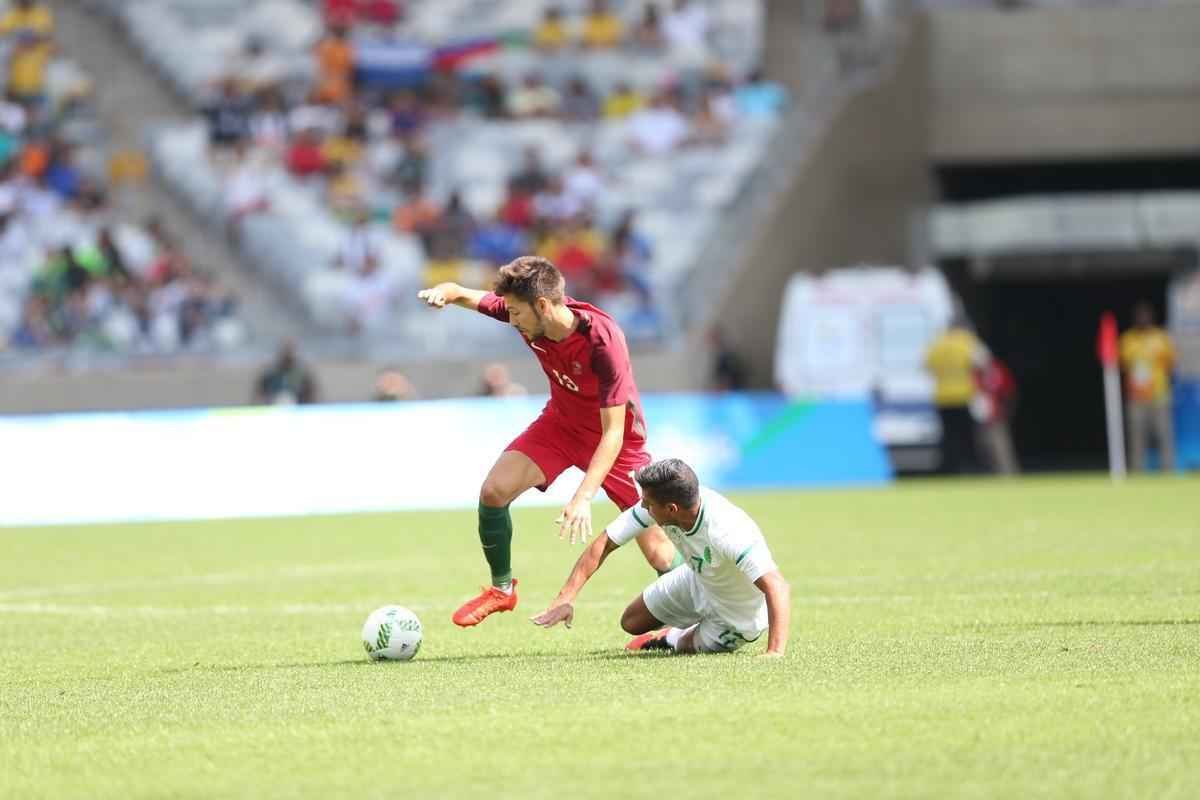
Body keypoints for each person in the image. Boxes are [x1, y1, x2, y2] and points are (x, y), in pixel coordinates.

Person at [417, 256, 680, 627]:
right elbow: (462, 293)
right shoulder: (524, 313)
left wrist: (583, 497)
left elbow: (613, 433)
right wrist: (443, 293)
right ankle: (502, 590)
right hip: (560, 424)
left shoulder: (601, 340)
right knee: (494, 492)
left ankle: (691, 616)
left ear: (542, 305)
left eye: (517, 313)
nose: (512, 320)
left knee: (659, 552)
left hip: (616, 442)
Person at [532, 458, 790, 656]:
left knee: (683, 647)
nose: (642, 507)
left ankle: (670, 637)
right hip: (697, 580)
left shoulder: (727, 530)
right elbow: (605, 542)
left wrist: (774, 653)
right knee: (631, 622)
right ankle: (676, 630)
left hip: (737, 615)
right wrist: (566, 597)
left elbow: (776, 585)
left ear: (671, 509)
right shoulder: (660, 504)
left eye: (648, 503)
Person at [924, 317, 988, 475]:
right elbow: (983, 363)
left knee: (948, 436)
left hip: (942, 397)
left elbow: (926, 365)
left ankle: (950, 468)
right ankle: (971, 467)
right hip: (964, 395)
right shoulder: (968, 342)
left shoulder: (937, 344)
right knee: (967, 435)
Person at [1120, 302, 1176, 472]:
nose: (1142, 319)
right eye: (1139, 316)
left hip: (1159, 395)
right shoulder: (1127, 339)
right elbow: (1121, 365)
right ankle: (1137, 472)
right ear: (1135, 319)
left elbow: (1171, 364)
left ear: (1151, 317)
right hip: (1136, 397)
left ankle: (1168, 471)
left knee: (1163, 434)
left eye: (1145, 316)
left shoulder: (1161, 338)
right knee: (1137, 437)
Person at [974, 356, 1019, 475]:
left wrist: (1006, 411)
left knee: (1000, 445)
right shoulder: (975, 373)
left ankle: (1008, 472)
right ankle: (992, 472)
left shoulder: (996, 371)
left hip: (996, 415)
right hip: (981, 417)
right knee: (984, 445)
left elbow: (1009, 391)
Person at [254, 340, 319, 405]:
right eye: (285, 351)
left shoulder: (303, 375)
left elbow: (312, 397)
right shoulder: (269, 375)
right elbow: (259, 395)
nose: (287, 354)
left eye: (290, 352)